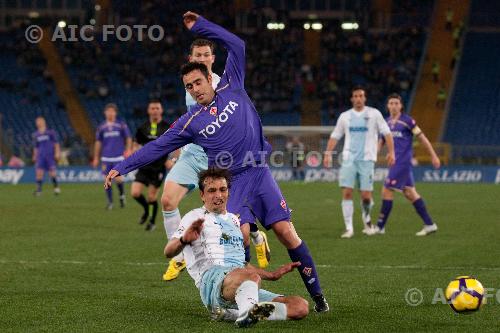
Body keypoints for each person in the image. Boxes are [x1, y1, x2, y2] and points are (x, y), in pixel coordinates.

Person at [105, 11, 329, 312]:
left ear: (209, 78)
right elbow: (157, 146)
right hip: (232, 182)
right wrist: (122, 166)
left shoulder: (232, 85)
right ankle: (243, 302)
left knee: (288, 234)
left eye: (198, 82)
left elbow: (238, 45)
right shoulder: (190, 122)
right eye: (189, 87)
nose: (195, 90)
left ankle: (318, 298)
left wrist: (201, 27)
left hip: (259, 173)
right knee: (240, 240)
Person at [161, 38, 270, 280]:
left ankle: (255, 238)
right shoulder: (190, 83)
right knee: (168, 201)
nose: (201, 59)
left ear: (213, 58)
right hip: (192, 155)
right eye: (197, 56)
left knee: (233, 219)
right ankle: (179, 257)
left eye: (205, 55)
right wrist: (177, 149)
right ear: (191, 60)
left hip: (219, 159)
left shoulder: (223, 86)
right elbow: (191, 121)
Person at [164, 167, 309, 327]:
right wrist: (184, 239)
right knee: (251, 277)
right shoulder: (194, 217)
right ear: (202, 195)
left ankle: (234, 313)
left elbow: (242, 264)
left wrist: (272, 275)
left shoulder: (234, 220)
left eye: (222, 189)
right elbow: (169, 251)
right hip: (213, 283)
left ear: (228, 192)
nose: (218, 195)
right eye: (212, 190)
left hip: (242, 283)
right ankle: (247, 312)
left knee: (299, 307)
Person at [323, 86, 395, 238]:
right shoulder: (345, 116)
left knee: (366, 196)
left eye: (361, 96)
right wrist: (328, 153)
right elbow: (335, 135)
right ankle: (349, 228)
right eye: (355, 96)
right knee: (347, 192)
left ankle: (367, 219)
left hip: (367, 160)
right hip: (349, 159)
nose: (358, 98)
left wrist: (391, 152)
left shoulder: (374, 114)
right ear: (351, 99)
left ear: (365, 98)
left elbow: (387, 133)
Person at [375, 93, 440, 236]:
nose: (393, 106)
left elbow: (423, 139)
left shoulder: (408, 121)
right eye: (391, 103)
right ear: (387, 106)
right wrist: (374, 155)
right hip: (394, 163)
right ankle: (430, 224)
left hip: (402, 162)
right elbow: (381, 142)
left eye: (396, 103)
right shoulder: (385, 122)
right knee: (410, 193)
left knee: (386, 190)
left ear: (401, 106)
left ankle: (380, 227)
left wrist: (433, 155)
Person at [131, 100, 172, 231]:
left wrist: (172, 159)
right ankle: (145, 210)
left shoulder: (167, 127)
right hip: (144, 166)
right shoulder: (143, 127)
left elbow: (176, 144)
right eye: (152, 108)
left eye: (157, 108)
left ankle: (152, 221)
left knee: (151, 197)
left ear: (161, 110)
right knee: (135, 193)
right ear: (149, 111)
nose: (155, 110)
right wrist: (134, 152)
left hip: (158, 167)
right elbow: (136, 143)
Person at [93, 103, 132, 210]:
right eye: (108, 111)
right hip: (106, 158)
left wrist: (128, 149)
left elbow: (128, 138)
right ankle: (110, 202)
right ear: (105, 113)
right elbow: (98, 142)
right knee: (107, 180)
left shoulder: (121, 125)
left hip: (118, 157)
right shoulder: (101, 127)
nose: (110, 113)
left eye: (112, 111)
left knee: (119, 179)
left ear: (115, 113)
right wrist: (96, 157)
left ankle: (121, 195)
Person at [32, 116, 60, 196]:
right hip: (41, 156)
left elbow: (56, 143)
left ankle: (56, 188)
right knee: (39, 172)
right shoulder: (36, 134)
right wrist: (34, 155)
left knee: (52, 172)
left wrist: (57, 152)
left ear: (43, 122)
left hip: (50, 155)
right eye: (37, 122)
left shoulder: (50, 132)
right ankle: (39, 190)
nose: (37, 123)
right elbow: (36, 147)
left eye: (39, 121)